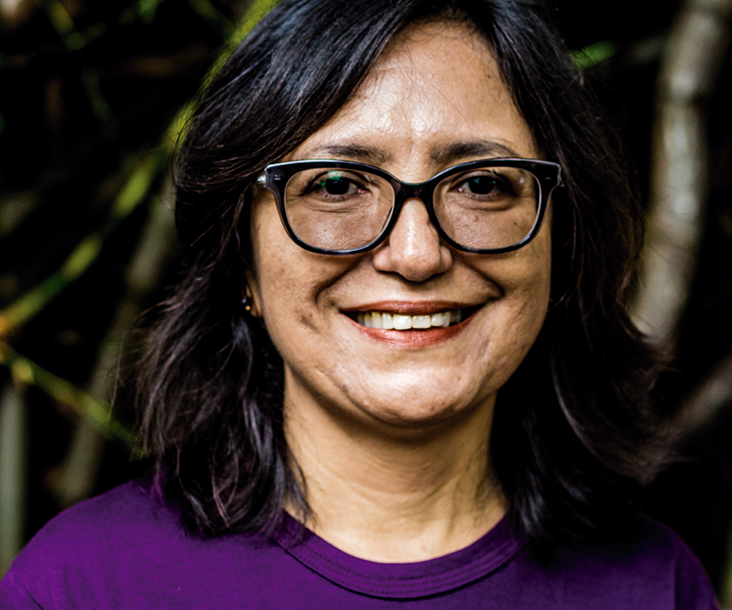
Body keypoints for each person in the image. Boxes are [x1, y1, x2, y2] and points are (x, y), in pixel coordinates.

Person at [0, 0, 720, 607]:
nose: (416, 253)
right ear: (241, 258)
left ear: (562, 241)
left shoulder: (654, 586)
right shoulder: (83, 586)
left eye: (481, 184)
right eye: (337, 186)